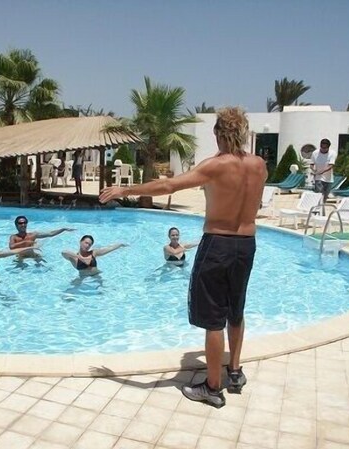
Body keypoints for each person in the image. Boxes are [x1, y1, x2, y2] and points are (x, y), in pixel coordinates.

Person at [100, 107, 267, 408]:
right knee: (236, 309)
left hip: (218, 243)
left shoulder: (215, 166)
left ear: (218, 133)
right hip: (247, 244)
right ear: (243, 132)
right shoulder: (259, 165)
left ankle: (212, 387)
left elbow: (168, 186)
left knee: (214, 320)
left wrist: (125, 188)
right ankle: (235, 370)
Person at [9, 215, 74, 260]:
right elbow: (11, 247)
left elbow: (50, 234)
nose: (23, 225)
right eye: (20, 223)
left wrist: (63, 229)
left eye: (25, 222)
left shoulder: (32, 235)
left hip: (33, 255)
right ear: (16, 225)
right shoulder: (14, 237)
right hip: (21, 257)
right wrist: (25, 242)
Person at [61, 235, 127, 275]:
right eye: (86, 243)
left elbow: (109, 248)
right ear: (80, 242)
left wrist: (120, 244)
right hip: (82, 278)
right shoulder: (73, 257)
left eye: (90, 245)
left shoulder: (93, 252)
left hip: (96, 276)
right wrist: (81, 258)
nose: (87, 246)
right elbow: (64, 252)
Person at [310, 138, 337, 203]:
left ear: (328, 147)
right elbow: (311, 165)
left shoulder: (332, 153)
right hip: (318, 178)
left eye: (325, 148)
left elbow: (330, 166)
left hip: (329, 179)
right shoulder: (315, 153)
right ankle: (317, 210)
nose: (323, 149)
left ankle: (321, 211)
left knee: (324, 198)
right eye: (322, 148)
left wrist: (321, 171)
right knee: (319, 196)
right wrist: (314, 171)